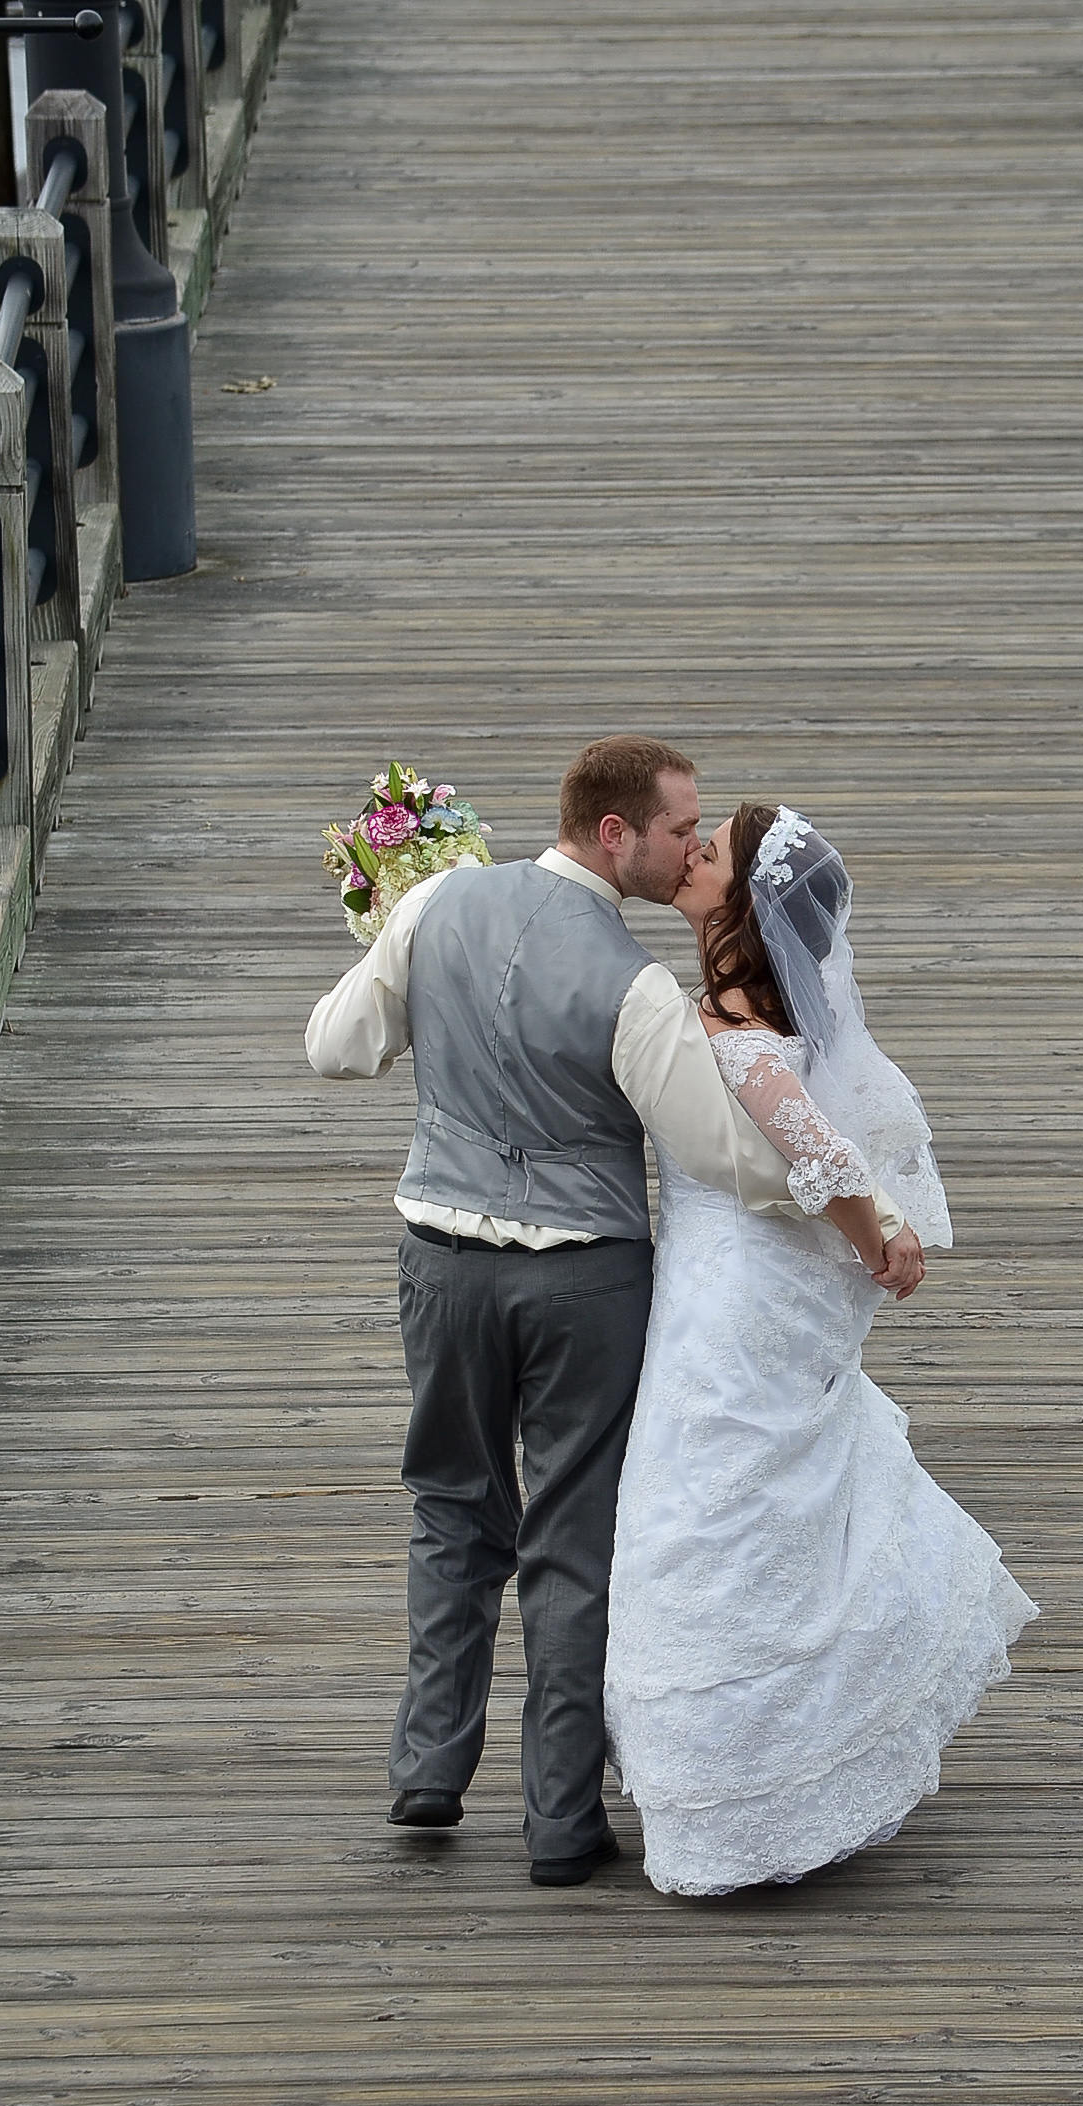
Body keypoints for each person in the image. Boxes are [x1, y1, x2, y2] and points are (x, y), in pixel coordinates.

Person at [304, 739, 918, 1887]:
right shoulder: (633, 986)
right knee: (570, 1539)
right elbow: (724, 1156)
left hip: (440, 1254)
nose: (693, 845)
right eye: (681, 827)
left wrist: (411, 959)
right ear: (614, 835)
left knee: (450, 1507)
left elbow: (334, 1047)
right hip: (581, 1279)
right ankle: (558, 1821)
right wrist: (864, 1204)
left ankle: (431, 1765)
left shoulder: (437, 902)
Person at [603, 802, 1038, 1897]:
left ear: (751, 901)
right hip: (733, 1279)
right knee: (733, 1495)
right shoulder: (762, 1000)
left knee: (709, 1498)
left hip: (738, 1292)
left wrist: (875, 1229)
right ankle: (755, 1772)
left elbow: (814, 1147)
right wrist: (876, 1230)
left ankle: (747, 1782)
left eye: (711, 853)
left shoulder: (740, 1016)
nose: (691, 856)